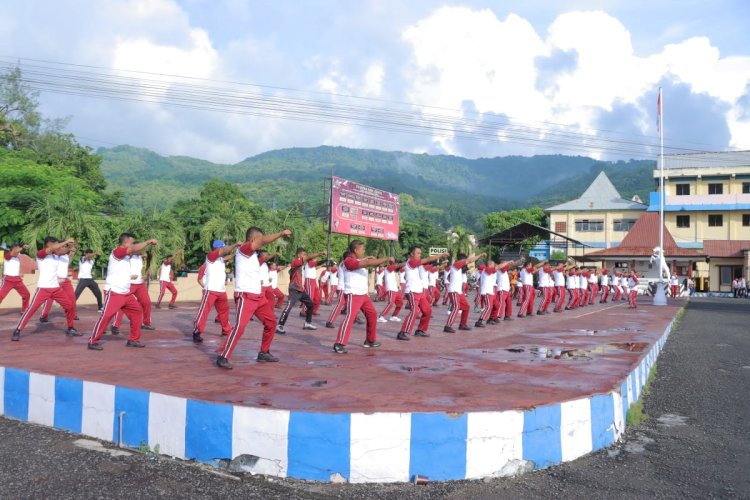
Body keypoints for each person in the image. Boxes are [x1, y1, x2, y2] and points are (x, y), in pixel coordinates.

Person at [216, 227, 291, 369]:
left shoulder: (253, 255)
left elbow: (263, 252)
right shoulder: (244, 249)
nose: (261, 242)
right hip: (246, 295)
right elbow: (262, 240)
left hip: (258, 297)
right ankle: (223, 356)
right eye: (259, 239)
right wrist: (280, 233)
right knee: (240, 327)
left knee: (271, 323)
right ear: (252, 239)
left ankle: (264, 352)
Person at [87, 235, 159, 350]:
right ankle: (93, 341)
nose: (134, 245)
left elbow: (135, 251)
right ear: (125, 243)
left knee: (137, 311)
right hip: (115, 292)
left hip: (126, 294)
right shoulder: (117, 252)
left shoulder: (126, 256)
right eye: (132, 242)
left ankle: (133, 340)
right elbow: (133, 249)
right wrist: (148, 241)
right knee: (106, 316)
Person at [333, 240, 394, 353]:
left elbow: (365, 261)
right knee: (350, 317)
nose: (364, 251)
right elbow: (366, 263)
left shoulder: (356, 260)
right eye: (362, 249)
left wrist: (369, 258)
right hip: (353, 293)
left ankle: (370, 340)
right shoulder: (348, 261)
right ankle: (339, 343)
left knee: (372, 315)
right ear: (355, 250)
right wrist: (386, 259)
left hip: (363, 294)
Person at [13, 237, 78, 341]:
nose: (59, 246)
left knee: (69, 306)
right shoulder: (41, 254)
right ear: (49, 244)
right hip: (43, 289)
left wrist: (71, 246)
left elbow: (68, 250)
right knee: (31, 310)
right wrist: (65, 242)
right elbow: (55, 248)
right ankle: (18, 330)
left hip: (56, 288)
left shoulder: (56, 255)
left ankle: (70, 328)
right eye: (56, 244)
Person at [396, 246, 449, 341]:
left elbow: (431, 264)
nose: (419, 255)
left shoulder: (417, 265)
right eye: (418, 253)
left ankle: (420, 330)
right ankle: (402, 332)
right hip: (412, 291)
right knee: (414, 311)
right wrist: (441, 255)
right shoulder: (411, 262)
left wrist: (440, 262)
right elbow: (428, 259)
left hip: (419, 292)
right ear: (412, 254)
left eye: (420, 253)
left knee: (427, 311)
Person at [192, 240, 238, 343]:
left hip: (221, 291)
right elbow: (224, 252)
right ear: (218, 248)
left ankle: (226, 330)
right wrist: (235, 244)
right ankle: (197, 331)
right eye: (223, 247)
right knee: (204, 312)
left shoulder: (220, 259)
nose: (224, 249)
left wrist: (235, 254)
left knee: (224, 312)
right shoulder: (210, 257)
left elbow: (226, 257)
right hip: (210, 290)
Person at [276, 247, 325, 334]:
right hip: (294, 289)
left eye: (305, 255)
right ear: (298, 255)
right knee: (288, 307)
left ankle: (307, 323)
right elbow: (308, 258)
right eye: (303, 255)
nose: (305, 256)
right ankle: (280, 325)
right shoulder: (295, 262)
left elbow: (314, 262)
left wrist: (324, 259)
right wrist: (320, 253)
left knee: (310, 304)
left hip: (300, 289)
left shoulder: (300, 264)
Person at [111, 249, 155, 335]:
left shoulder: (140, 257)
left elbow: (144, 263)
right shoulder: (128, 256)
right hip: (130, 283)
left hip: (140, 284)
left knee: (146, 303)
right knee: (122, 304)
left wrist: (146, 274)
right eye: (139, 249)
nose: (142, 250)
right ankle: (115, 325)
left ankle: (146, 323)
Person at [444, 253, 484, 333]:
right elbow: (469, 260)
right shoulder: (457, 264)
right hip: (454, 291)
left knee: (466, 307)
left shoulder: (457, 268)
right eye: (465, 260)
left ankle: (462, 324)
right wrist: (480, 255)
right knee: (456, 307)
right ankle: (448, 326)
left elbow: (448, 277)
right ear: (462, 260)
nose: (466, 262)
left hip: (458, 292)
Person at [40, 243, 78, 322]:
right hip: (56, 280)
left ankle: (73, 315)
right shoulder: (55, 256)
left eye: (65, 246)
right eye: (63, 246)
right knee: (49, 299)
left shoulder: (66, 257)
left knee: (72, 297)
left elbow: (70, 256)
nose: (64, 248)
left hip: (65, 280)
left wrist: (73, 250)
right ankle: (43, 316)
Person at [0, 242, 31, 313]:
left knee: (26, 295)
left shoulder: (19, 256)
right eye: (16, 248)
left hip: (17, 280)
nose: (18, 250)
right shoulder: (7, 255)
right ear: (12, 249)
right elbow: (14, 251)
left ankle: (24, 310)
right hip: (8, 280)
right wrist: (22, 246)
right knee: (1, 296)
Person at [326, 253, 350, 328]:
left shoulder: (342, 264)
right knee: (340, 304)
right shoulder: (344, 263)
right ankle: (330, 321)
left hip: (345, 287)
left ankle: (355, 318)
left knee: (350, 303)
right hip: (343, 287)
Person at [475, 258, 497, 327]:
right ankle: (479, 321)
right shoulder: (486, 270)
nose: (495, 266)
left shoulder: (490, 271)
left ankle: (491, 319)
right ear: (490, 265)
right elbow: (498, 267)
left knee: (496, 305)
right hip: (487, 291)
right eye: (493, 265)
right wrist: (508, 262)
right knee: (488, 306)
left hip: (491, 291)